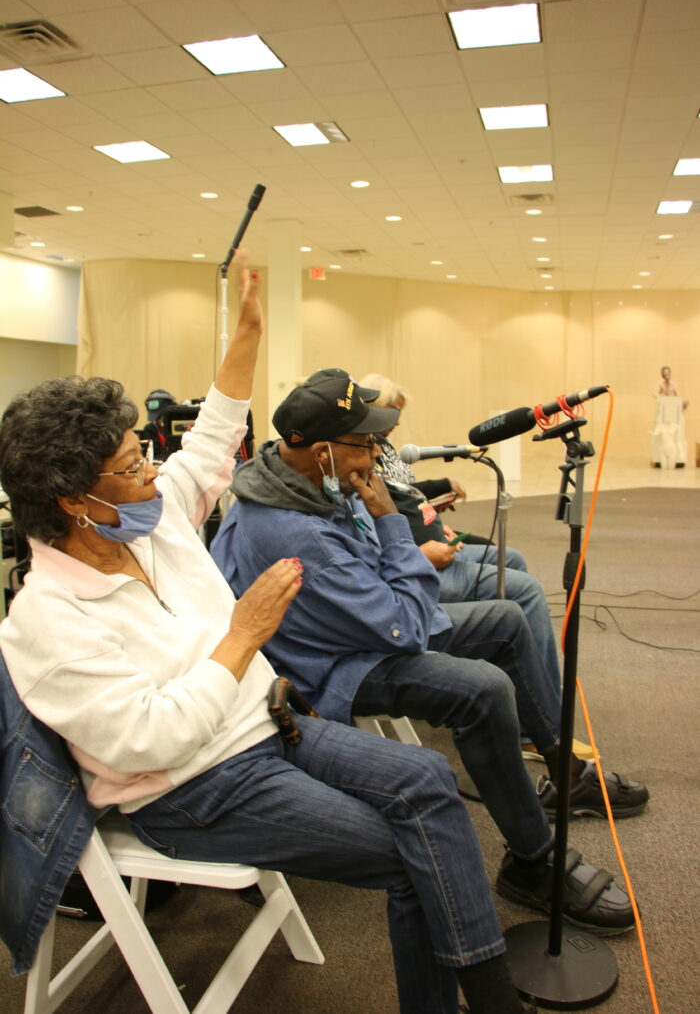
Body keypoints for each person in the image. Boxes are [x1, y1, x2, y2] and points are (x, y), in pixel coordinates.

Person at [0, 258, 542, 1014]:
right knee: (415, 854)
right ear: (74, 501)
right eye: (131, 467)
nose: (154, 473)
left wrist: (249, 332)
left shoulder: (151, 521)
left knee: (428, 781)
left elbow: (212, 437)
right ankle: (488, 1000)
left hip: (266, 722)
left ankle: (484, 995)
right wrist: (242, 636)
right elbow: (150, 739)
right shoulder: (45, 621)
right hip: (191, 785)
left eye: (145, 455)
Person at [210, 368, 645, 935]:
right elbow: (405, 626)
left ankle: (566, 772)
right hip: (328, 669)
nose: (376, 451)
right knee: (483, 689)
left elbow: (381, 585)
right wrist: (390, 520)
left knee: (507, 619)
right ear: (321, 451)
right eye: (365, 441)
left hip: (353, 627)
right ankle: (533, 862)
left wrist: (383, 529)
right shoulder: (298, 531)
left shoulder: (299, 478)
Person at [357, 372, 585, 760]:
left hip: (426, 547)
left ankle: (524, 692)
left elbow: (405, 498)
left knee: (512, 560)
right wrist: (418, 554)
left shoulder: (380, 450)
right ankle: (537, 728)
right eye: (390, 412)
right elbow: (368, 540)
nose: (394, 422)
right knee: (525, 592)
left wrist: (434, 513)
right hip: (415, 567)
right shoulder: (357, 462)